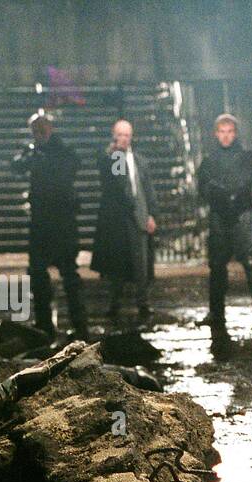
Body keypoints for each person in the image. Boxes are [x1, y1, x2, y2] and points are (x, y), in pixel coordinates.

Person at [197, 113, 252, 357]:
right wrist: (221, 193)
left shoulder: (246, 157)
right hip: (220, 218)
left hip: (241, 216)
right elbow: (204, 186)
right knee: (216, 268)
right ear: (216, 133)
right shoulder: (209, 160)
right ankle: (216, 313)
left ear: (235, 133)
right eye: (221, 131)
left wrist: (226, 193)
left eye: (229, 131)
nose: (226, 136)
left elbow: (245, 181)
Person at [13, 111, 87, 338]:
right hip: (45, 224)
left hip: (59, 223)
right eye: (36, 131)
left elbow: (70, 167)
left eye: (42, 130)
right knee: (41, 275)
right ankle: (47, 325)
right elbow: (17, 165)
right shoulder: (35, 152)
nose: (39, 135)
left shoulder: (62, 152)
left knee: (68, 277)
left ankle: (76, 325)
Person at [92, 119, 158, 329]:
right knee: (119, 265)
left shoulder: (138, 160)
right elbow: (121, 187)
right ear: (113, 135)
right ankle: (117, 302)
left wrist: (150, 214)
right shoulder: (114, 157)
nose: (123, 139)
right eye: (119, 135)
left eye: (126, 135)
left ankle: (142, 302)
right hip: (119, 219)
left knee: (141, 264)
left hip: (137, 215)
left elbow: (146, 190)